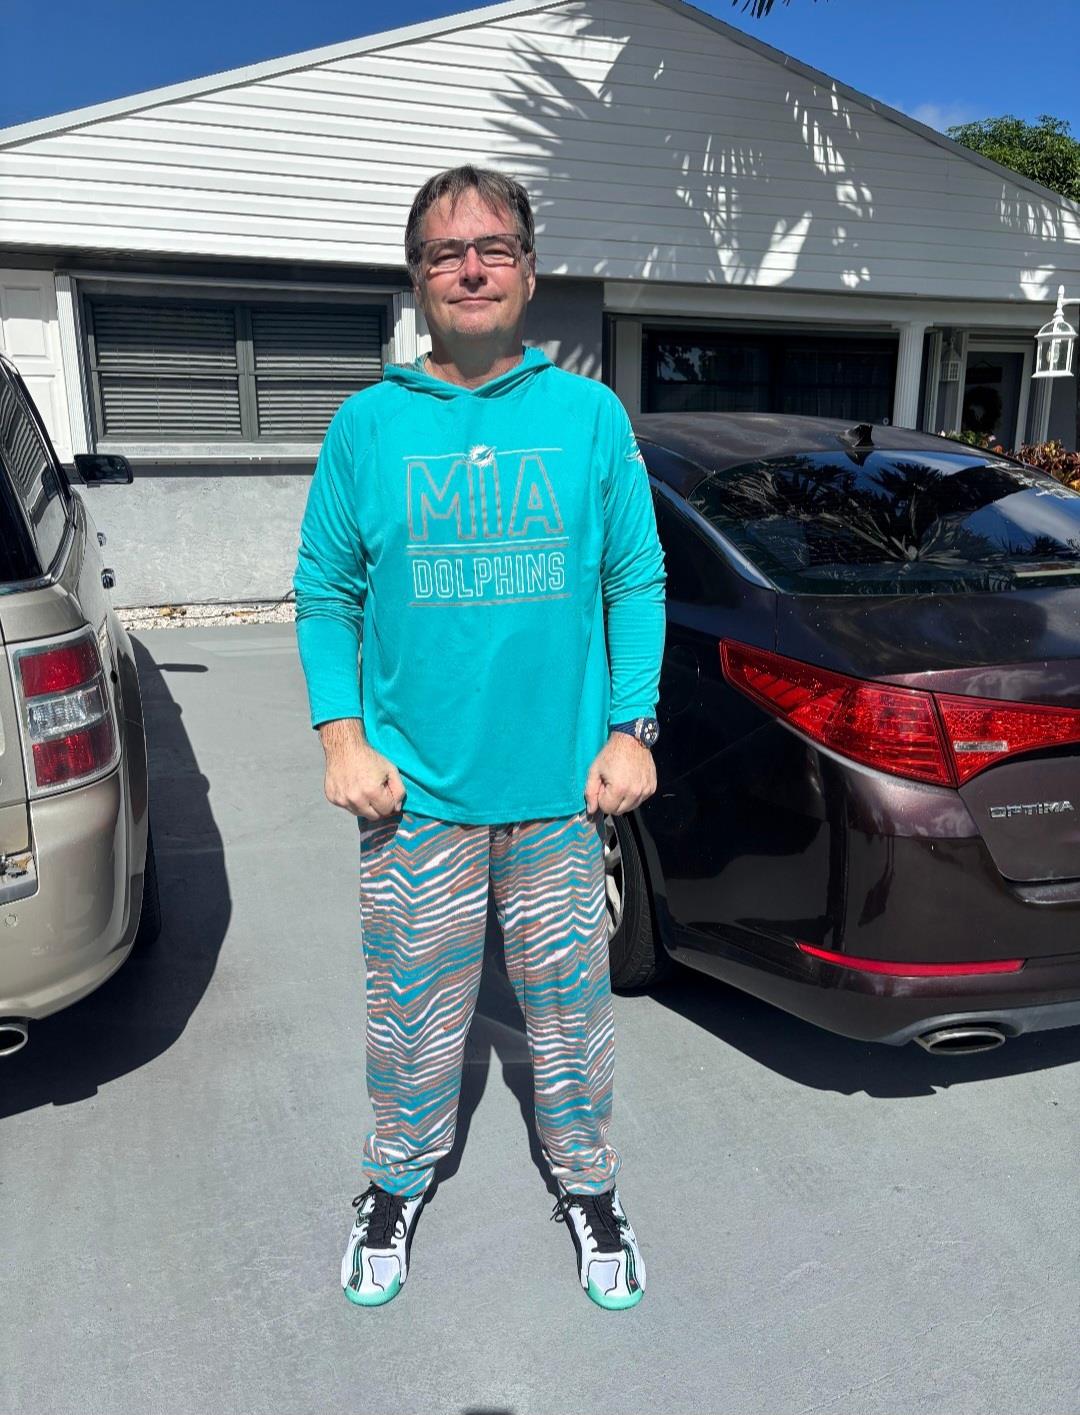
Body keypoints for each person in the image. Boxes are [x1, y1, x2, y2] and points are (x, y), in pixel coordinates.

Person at [293, 165, 666, 1311]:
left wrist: (632, 727)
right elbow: (324, 590)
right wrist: (339, 738)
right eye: (447, 251)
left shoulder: (589, 418)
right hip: (416, 803)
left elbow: (635, 576)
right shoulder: (369, 426)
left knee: (568, 1017)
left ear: (528, 272)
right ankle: (396, 1179)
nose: (470, 266)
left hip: (561, 798)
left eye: (493, 247)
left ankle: (588, 1182)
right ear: (418, 279)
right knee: (412, 1016)